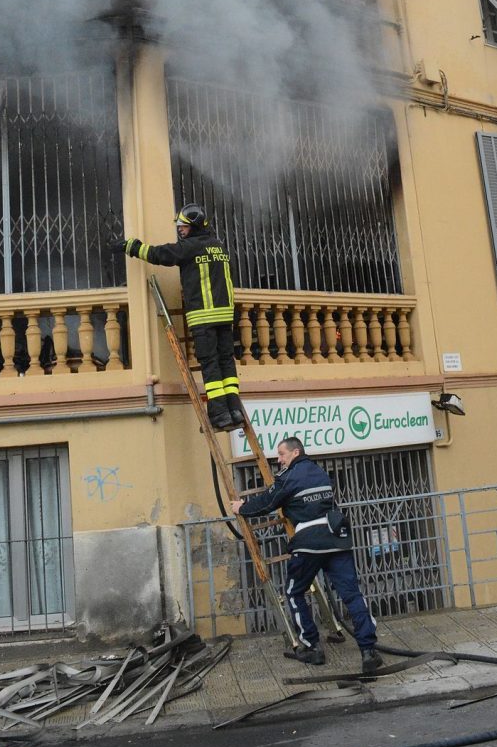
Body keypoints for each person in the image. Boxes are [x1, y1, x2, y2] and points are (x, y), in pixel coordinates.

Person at [231, 435, 383, 672]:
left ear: (295, 453)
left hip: (309, 541)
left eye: (282, 454)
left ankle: (312, 647)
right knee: (352, 593)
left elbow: (268, 502)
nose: (279, 460)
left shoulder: (288, 476)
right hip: (336, 539)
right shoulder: (320, 472)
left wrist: (243, 508)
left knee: (294, 592)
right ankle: (368, 650)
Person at [110, 203, 244, 432]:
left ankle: (220, 414)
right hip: (224, 317)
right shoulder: (218, 246)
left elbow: (159, 254)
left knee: (210, 365)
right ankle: (234, 409)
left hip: (203, 318)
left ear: (193, 226)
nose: (180, 230)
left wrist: (131, 246)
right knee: (226, 363)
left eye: (183, 226)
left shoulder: (190, 247)